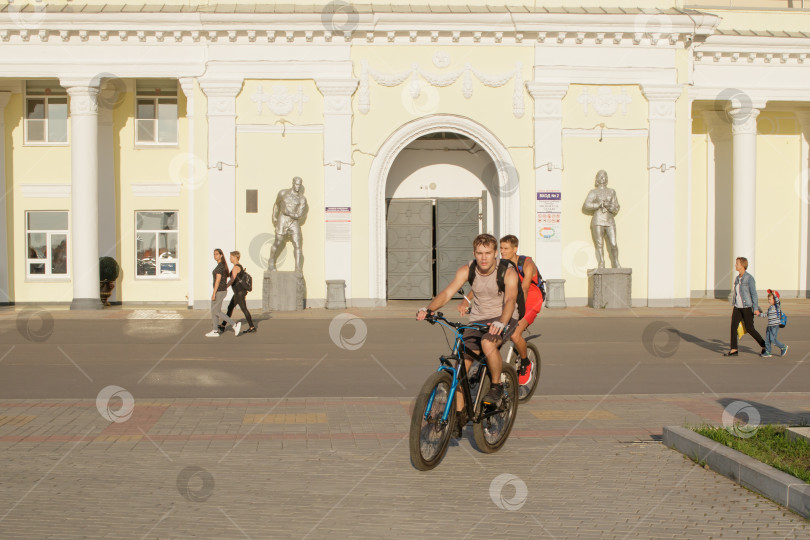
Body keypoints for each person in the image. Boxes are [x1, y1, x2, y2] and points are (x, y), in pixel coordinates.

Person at [417, 233, 520, 437]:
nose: (483, 258)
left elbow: (510, 300)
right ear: (474, 253)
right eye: (480, 253)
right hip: (478, 319)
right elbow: (447, 293)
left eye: (488, 253)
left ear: (495, 253)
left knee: (488, 344)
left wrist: (501, 322)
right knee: (460, 366)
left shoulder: (507, 272)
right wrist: (428, 309)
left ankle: (497, 385)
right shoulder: (468, 270)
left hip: (504, 317)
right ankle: (458, 415)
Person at [457, 235, 543, 384]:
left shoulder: (526, 263)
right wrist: (466, 300)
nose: (503, 251)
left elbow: (525, 288)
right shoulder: (498, 264)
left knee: (515, 333)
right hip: (512, 295)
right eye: (501, 248)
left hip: (531, 298)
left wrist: (518, 314)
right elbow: (481, 285)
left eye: (506, 248)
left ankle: (525, 363)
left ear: (515, 249)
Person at [723, 256, 764, 356]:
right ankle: (734, 349)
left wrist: (755, 308)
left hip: (747, 307)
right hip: (737, 307)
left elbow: (754, 294)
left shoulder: (749, 278)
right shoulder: (737, 278)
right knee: (733, 327)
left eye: (737, 263)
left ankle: (764, 345)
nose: (735, 265)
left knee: (750, 328)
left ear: (742, 265)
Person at [582, 169, 621, 268]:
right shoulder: (593, 192)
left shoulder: (612, 191)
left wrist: (610, 206)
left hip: (609, 220)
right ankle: (601, 262)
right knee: (599, 244)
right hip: (598, 220)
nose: (602, 178)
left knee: (613, 243)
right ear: (597, 179)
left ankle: (616, 262)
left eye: (604, 176)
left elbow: (616, 207)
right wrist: (598, 204)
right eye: (600, 176)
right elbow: (586, 205)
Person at [268, 176, 307, 272]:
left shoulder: (302, 199)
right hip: (282, 219)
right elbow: (276, 205)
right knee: (278, 241)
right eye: (296, 184)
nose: (298, 187)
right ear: (293, 183)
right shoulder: (283, 193)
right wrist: (274, 216)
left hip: (294, 222)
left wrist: (288, 212)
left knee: (298, 244)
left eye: (299, 185)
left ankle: (298, 268)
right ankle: (271, 262)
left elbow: (299, 215)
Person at [218, 251, 256, 334]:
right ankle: (223, 325)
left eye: (231, 257)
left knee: (243, 309)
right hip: (238, 292)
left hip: (239, 292)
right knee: (230, 308)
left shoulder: (236, 267)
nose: (230, 258)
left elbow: (232, 279)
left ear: (235, 257)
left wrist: (225, 287)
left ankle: (252, 326)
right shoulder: (238, 266)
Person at [206, 248, 241, 338]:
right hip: (220, 291)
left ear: (221, 255)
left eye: (217, 254)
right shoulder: (221, 265)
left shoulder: (220, 266)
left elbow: (217, 281)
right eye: (214, 254)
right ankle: (214, 330)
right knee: (214, 311)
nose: (215, 256)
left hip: (219, 291)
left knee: (217, 311)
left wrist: (214, 293)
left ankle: (234, 325)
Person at [759, 289, 788, 358]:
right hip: (769, 326)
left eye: (770, 299)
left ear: (775, 299)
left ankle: (783, 347)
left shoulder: (777, 307)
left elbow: (778, 301)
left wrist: (775, 295)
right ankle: (768, 352)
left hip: (775, 326)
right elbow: (765, 314)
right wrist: (758, 314)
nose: (769, 301)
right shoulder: (770, 308)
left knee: (773, 339)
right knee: (767, 340)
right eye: (768, 299)